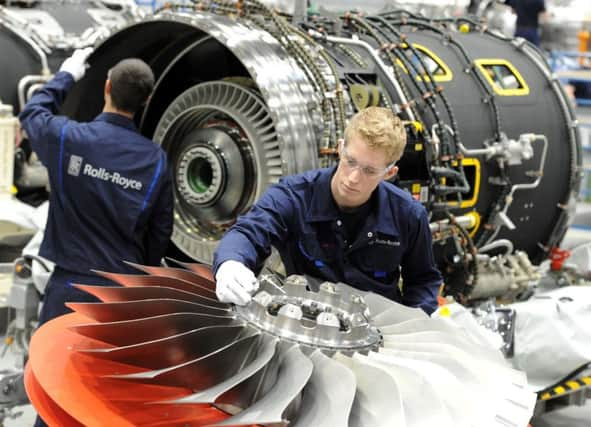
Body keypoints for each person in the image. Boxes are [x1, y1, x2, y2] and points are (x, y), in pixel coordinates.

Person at [213, 106, 442, 314]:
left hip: (378, 333)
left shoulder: (409, 215)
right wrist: (230, 263)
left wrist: (410, 325)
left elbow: (423, 281)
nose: (353, 178)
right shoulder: (295, 197)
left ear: (389, 173)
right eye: (350, 161)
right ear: (340, 148)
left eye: (370, 171)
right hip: (305, 322)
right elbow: (249, 231)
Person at [19, 49, 174, 328]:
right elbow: (160, 231)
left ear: (106, 87)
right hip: (123, 293)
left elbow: (32, 113)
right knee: (111, 370)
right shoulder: (156, 161)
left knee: (52, 366)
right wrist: (138, 272)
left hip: (69, 286)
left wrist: (66, 76)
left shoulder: (70, 138)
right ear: (147, 100)